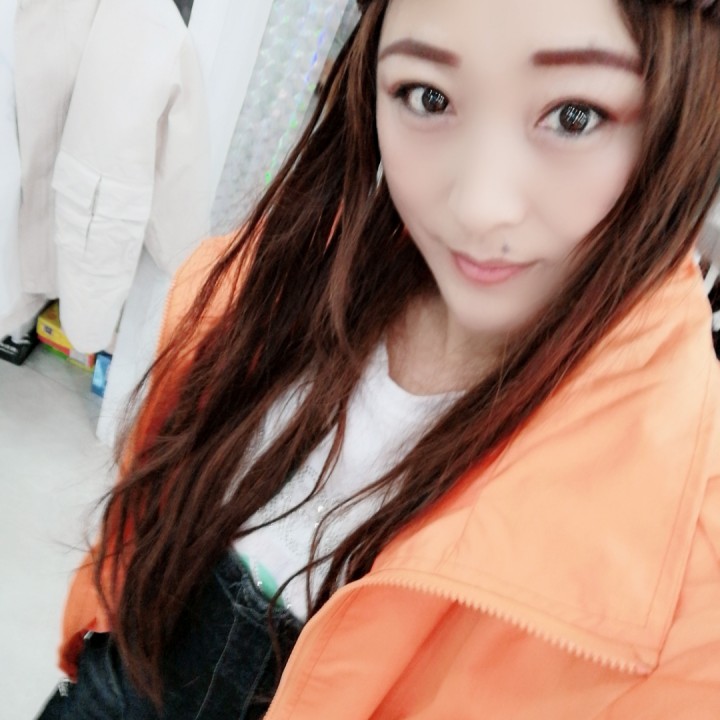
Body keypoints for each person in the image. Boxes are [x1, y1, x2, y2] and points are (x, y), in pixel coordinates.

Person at [38, 0, 720, 717]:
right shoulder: (284, 273)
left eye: (574, 117)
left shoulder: (690, 549)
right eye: (429, 97)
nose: (480, 205)